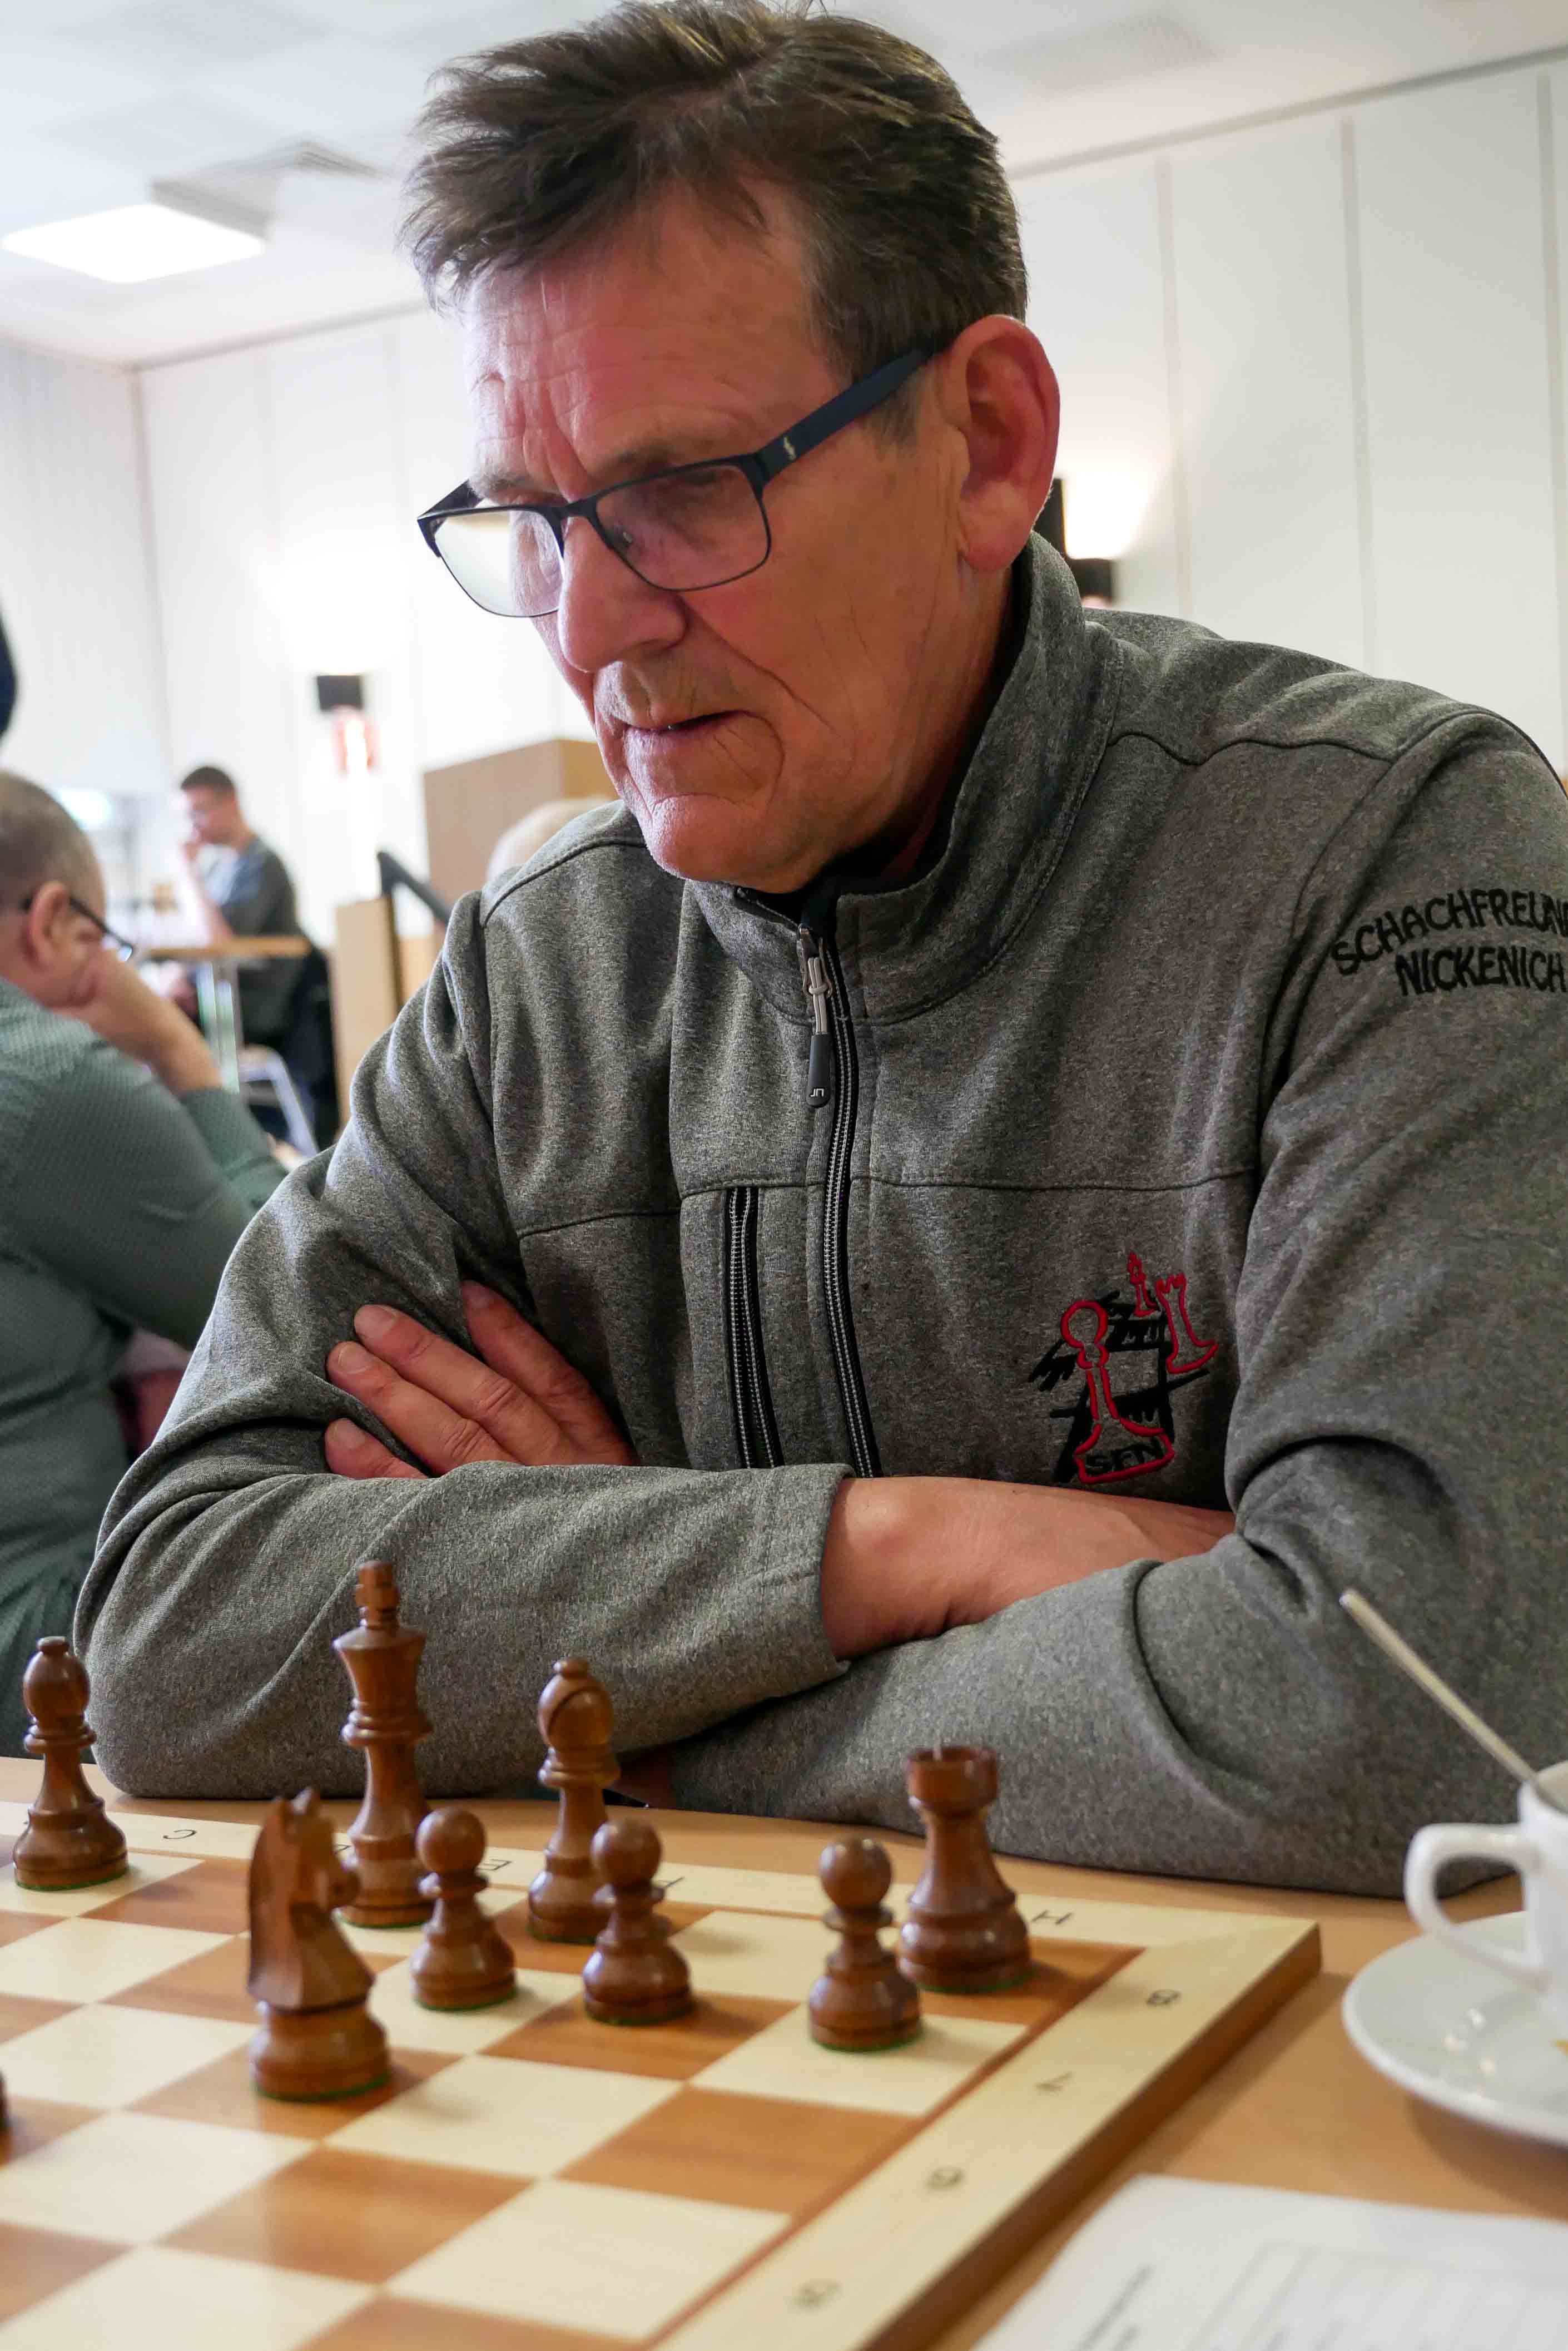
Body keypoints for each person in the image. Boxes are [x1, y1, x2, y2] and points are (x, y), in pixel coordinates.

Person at [80, 2, 1568, 1894]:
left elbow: (1416, 1709)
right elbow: (176, 1632)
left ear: (989, 444)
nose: (590, 627)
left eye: (681, 492)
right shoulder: (537, 971)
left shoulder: (1390, 853)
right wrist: (891, 1547)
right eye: (532, 521)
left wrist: (619, 1673)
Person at [0, 771, 285, 1753]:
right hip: (40, 1642)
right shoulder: (49, 1076)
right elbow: (279, 1288)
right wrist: (177, 1050)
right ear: (51, 921)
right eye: (100, 939)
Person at [174, 764, 302, 1046]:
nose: (193, 825)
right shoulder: (218, 869)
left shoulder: (262, 864)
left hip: (252, 1005)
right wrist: (181, 977)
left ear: (231, 803)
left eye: (199, 811)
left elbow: (220, 943)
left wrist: (189, 873)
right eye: (188, 816)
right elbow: (197, 941)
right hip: (215, 993)